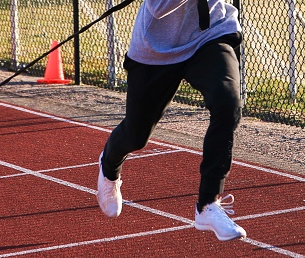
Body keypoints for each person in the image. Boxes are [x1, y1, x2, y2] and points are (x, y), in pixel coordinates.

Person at [96, 0, 246, 241]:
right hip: (157, 47)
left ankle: (208, 204)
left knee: (227, 103)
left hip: (210, 34)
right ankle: (109, 166)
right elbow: (158, 7)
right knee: (136, 135)